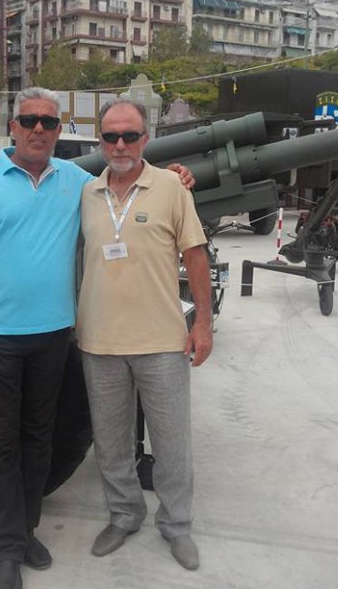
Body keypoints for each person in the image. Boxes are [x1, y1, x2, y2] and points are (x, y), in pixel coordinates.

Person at [0, 88, 192, 589]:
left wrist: (177, 176)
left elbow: (126, 181)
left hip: (55, 333)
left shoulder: (76, 182)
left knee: (39, 439)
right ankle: (6, 548)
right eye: (29, 120)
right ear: (13, 127)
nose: (39, 129)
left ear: (60, 131)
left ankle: (27, 530)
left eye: (49, 122)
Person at [76, 99, 213, 571]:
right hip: (99, 341)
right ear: (100, 141)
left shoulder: (172, 186)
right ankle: (124, 515)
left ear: (145, 139)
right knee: (111, 443)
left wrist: (202, 323)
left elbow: (195, 255)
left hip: (162, 340)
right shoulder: (86, 193)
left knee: (172, 443)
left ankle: (176, 525)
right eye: (111, 136)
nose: (120, 145)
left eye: (129, 135)